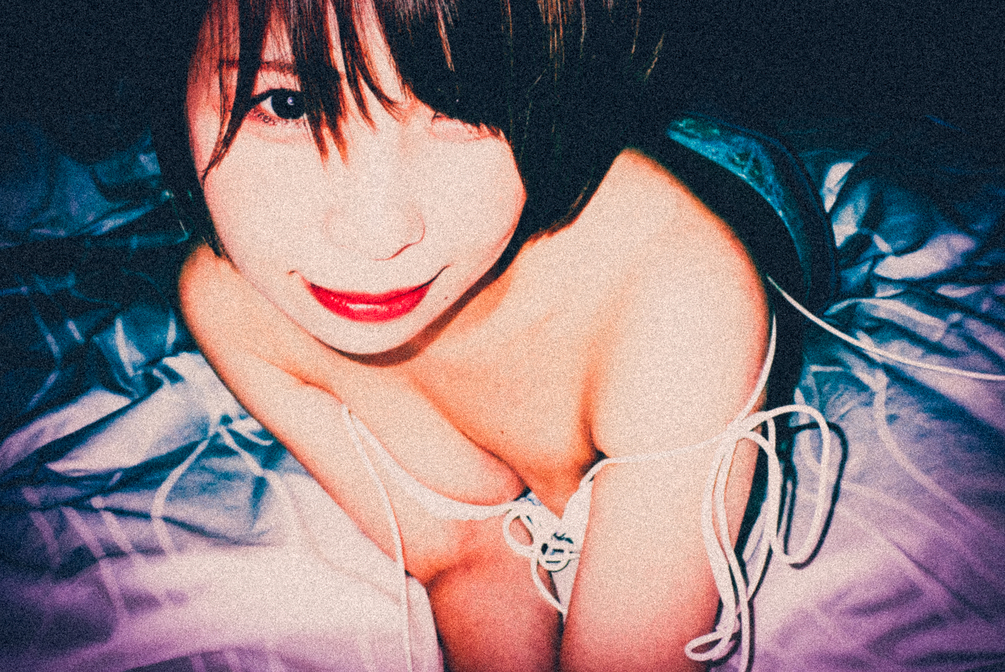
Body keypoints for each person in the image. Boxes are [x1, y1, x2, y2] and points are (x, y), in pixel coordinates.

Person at [161, 0, 797, 669]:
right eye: (287, 104)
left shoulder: (684, 292)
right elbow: (465, 552)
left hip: (735, 177)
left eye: (460, 104)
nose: (376, 235)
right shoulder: (229, 305)